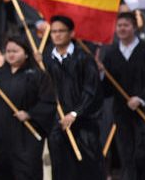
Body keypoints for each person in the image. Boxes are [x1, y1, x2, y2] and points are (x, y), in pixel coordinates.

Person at [0, 36, 53, 179]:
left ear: (26, 53)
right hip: (1, 138)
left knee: (26, 173)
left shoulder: (37, 76)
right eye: (8, 51)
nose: (11, 54)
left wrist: (30, 114)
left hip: (26, 138)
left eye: (15, 51)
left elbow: (48, 103)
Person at [100, 12, 145, 179]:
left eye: (126, 25)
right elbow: (107, 89)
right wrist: (102, 75)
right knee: (127, 156)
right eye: (119, 26)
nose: (122, 29)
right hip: (123, 116)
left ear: (134, 27)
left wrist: (141, 98)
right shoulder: (111, 54)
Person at [42, 15, 105, 179]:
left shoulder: (83, 58)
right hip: (58, 123)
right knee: (61, 167)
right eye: (53, 31)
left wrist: (75, 113)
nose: (57, 35)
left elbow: (91, 90)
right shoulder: (46, 59)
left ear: (71, 33)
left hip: (83, 124)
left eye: (61, 31)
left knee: (87, 166)